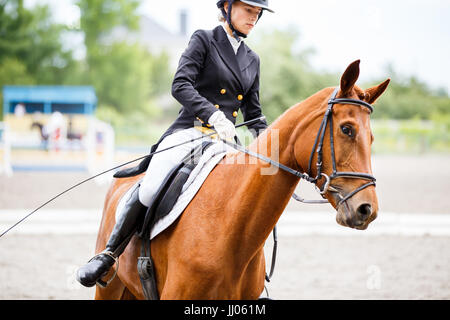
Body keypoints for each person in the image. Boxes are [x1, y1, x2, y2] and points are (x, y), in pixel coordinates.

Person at [76, 0, 273, 288]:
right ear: (228, 7)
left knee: (246, 200)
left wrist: (270, 148)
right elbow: (180, 85)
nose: (253, 19)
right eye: (248, 11)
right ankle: (109, 253)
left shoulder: (252, 59)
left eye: (257, 14)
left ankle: (252, 281)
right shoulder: (204, 39)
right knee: (153, 184)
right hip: (191, 131)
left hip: (227, 143)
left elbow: (254, 114)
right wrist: (213, 114)